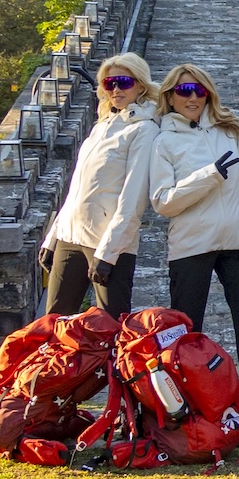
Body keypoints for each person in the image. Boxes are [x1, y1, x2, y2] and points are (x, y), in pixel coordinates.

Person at [149, 63, 239, 441]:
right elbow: (163, 202)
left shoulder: (230, 134)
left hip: (235, 244)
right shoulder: (164, 142)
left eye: (198, 91)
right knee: (186, 335)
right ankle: (186, 410)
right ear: (170, 96)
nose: (191, 98)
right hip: (191, 246)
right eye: (183, 91)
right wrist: (209, 175)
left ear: (208, 94)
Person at [40, 52, 158, 317]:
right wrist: (53, 237)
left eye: (124, 82)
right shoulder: (102, 124)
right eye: (109, 83)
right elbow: (77, 188)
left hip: (108, 240)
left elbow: (134, 196)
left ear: (140, 84)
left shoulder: (143, 130)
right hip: (71, 235)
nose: (115, 89)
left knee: (111, 326)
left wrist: (109, 252)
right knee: (55, 322)